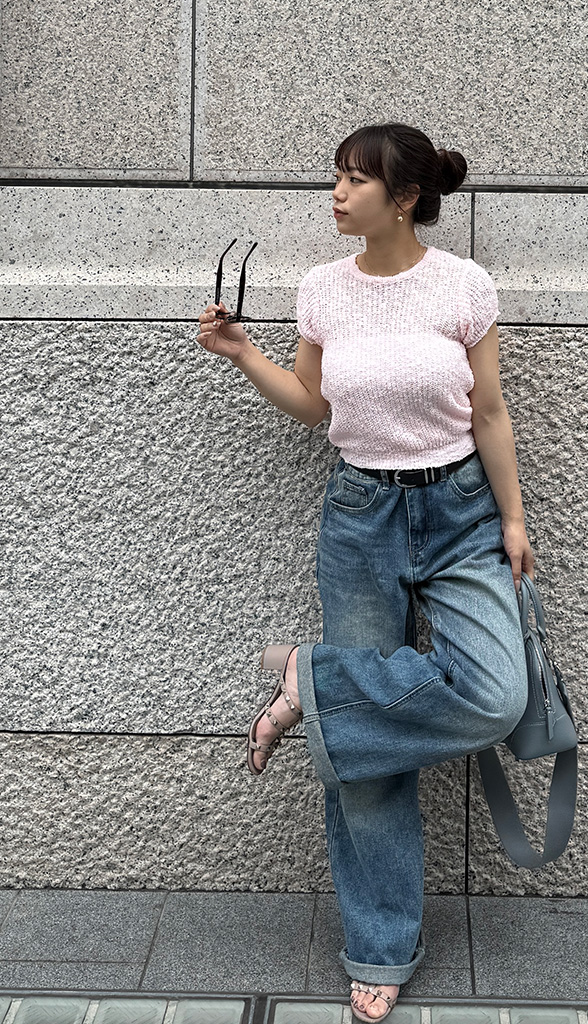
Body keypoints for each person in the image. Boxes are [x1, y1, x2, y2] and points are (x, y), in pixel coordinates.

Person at [196, 122, 533, 1022]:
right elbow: (315, 406)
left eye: (355, 180)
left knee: (497, 695)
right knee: (370, 765)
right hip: (359, 516)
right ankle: (380, 947)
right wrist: (245, 354)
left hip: (459, 511)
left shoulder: (463, 285)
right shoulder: (322, 289)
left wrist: (512, 518)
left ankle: (312, 682)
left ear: (406, 197)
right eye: (337, 177)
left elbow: (489, 412)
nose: (337, 194)